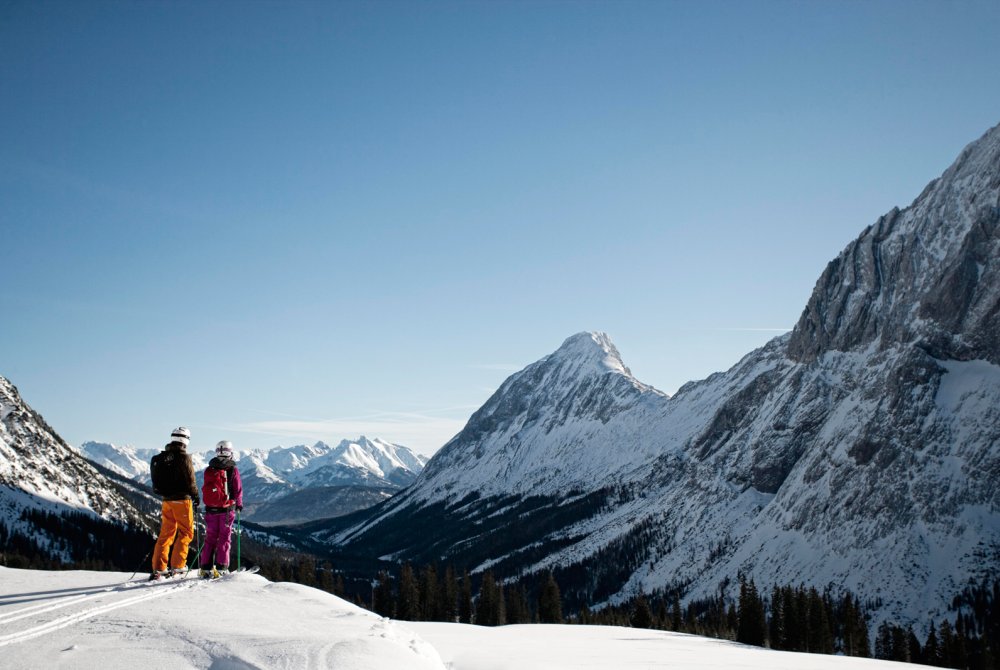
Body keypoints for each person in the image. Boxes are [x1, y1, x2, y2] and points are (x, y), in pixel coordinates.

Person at [149, 426, 199, 579]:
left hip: (166, 500)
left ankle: (158, 568)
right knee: (186, 532)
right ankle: (177, 566)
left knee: (166, 534)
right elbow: (190, 481)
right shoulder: (184, 457)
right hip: (182, 500)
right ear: (186, 440)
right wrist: (196, 496)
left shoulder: (162, 457)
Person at [199, 440, 243, 578]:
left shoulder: (209, 469)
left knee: (210, 538)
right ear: (230, 452)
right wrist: (239, 504)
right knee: (224, 538)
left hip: (210, 510)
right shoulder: (232, 469)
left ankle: (205, 568)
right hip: (226, 510)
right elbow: (237, 489)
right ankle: (222, 567)